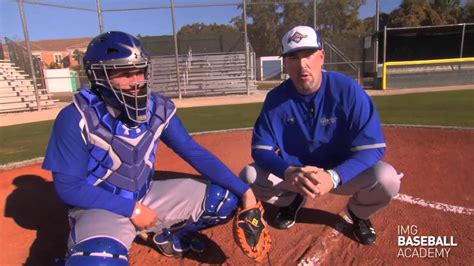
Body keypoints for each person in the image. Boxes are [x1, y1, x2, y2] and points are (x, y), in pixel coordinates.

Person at [42, 31, 258, 265]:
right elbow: (69, 188)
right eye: (125, 74)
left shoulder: (157, 109)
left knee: (223, 199)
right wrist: (132, 210)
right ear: (99, 77)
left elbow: (193, 151)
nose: (137, 82)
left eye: (140, 71)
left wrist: (246, 191)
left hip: (144, 196)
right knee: (99, 258)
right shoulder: (75, 117)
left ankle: (166, 235)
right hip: (99, 206)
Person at [240, 25, 403, 245]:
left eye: (308, 54)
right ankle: (291, 200)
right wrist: (288, 172)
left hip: (344, 173)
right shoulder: (275, 99)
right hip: (297, 176)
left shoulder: (347, 90)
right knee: (249, 175)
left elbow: (373, 148)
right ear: (285, 63)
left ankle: (359, 214)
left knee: (387, 179)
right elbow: (261, 150)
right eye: (293, 57)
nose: (302, 64)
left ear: (322, 56)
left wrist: (334, 176)